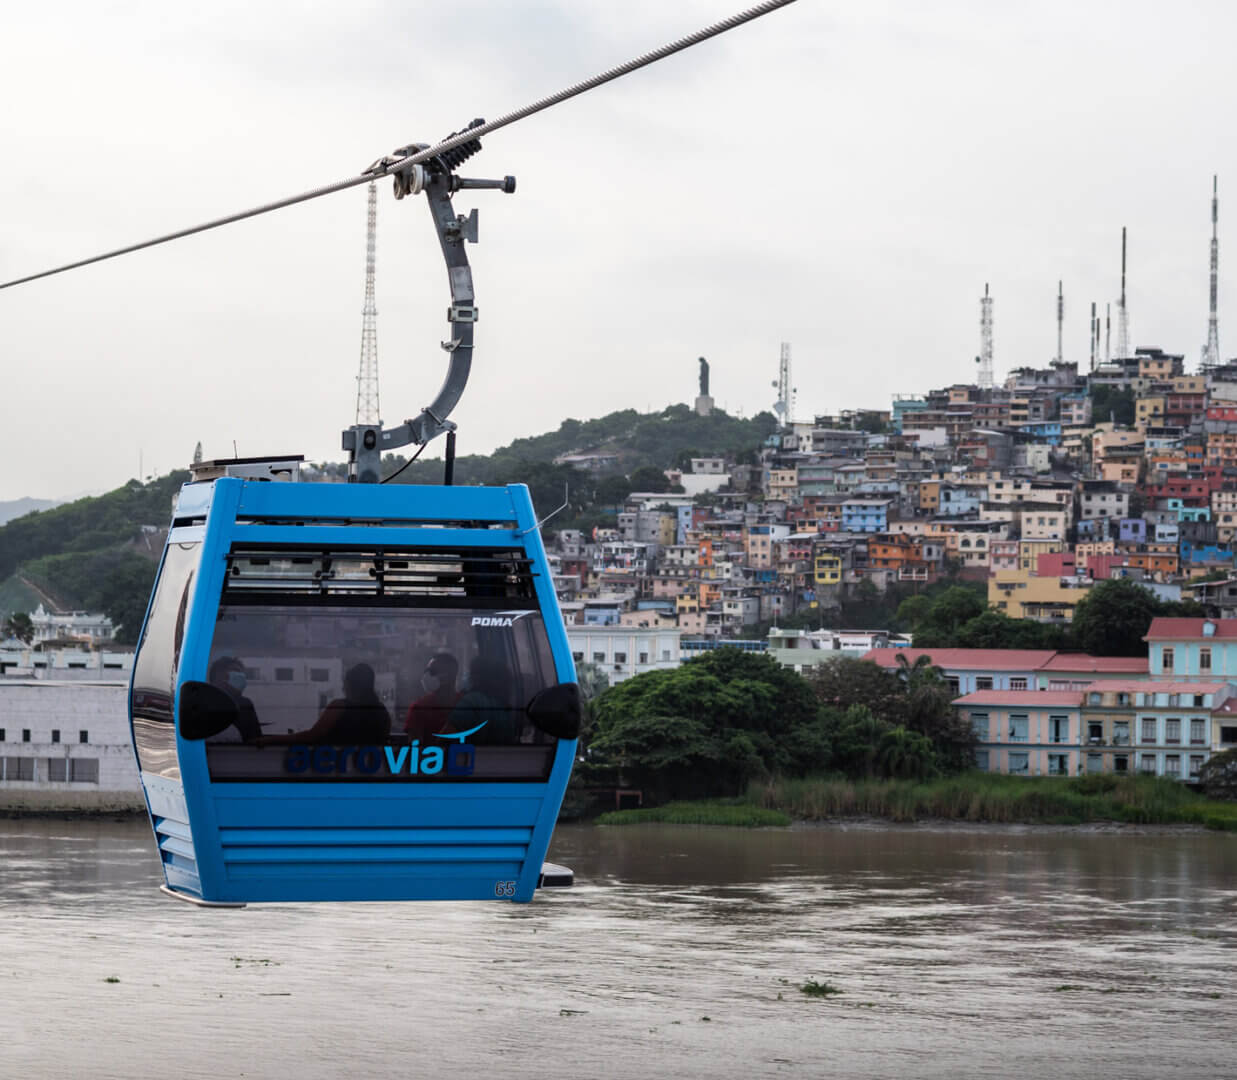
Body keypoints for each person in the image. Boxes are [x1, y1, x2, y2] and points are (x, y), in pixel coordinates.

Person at [258, 662, 391, 746]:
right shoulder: (382, 711)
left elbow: (311, 736)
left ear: (349, 684)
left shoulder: (339, 706)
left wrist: (270, 740)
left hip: (336, 769)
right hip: (369, 772)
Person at [449, 655, 520, 745]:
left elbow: (445, 739)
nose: (468, 676)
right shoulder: (503, 706)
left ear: (477, 677)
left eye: (471, 673)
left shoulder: (471, 701)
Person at [404, 653, 460, 742]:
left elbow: (415, 748)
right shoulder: (466, 704)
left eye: (432, 672)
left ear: (448, 675)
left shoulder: (419, 707)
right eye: (426, 672)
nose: (426, 676)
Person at [208, 656, 262, 742]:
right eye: (236, 671)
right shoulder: (205, 703)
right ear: (219, 676)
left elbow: (255, 740)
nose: (242, 677)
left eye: (242, 673)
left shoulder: (245, 704)